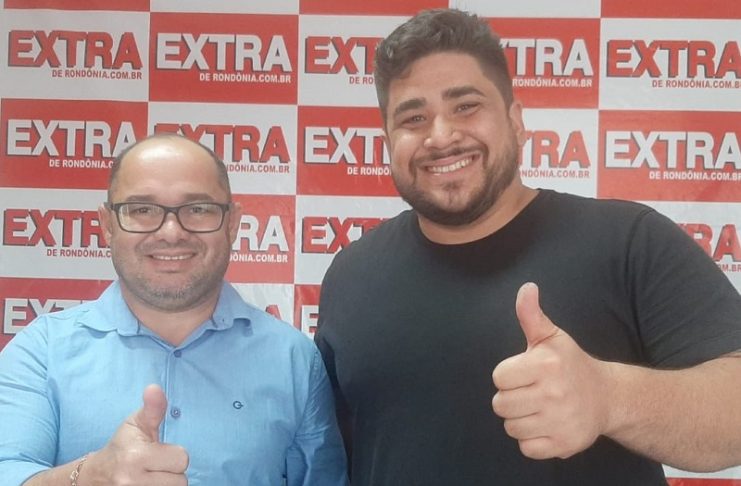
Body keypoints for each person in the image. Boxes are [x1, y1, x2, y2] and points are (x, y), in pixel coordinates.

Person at [314, 8, 741, 486]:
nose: (441, 136)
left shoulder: (628, 241)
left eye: (466, 106)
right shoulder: (350, 276)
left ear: (515, 121)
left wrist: (609, 397)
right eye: (413, 118)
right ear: (389, 141)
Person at [0, 134, 349, 486]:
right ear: (107, 225)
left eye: (197, 209)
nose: (171, 232)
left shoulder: (293, 359)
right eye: (142, 210)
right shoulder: (42, 350)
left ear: (232, 224)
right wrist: (86, 477)